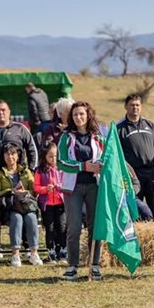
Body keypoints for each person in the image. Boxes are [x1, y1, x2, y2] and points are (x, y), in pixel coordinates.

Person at [58, 101, 104, 280]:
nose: (79, 117)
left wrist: (101, 165)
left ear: (88, 115)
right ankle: (72, 266)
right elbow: (61, 162)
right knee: (74, 227)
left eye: (82, 114)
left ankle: (94, 264)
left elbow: (108, 155)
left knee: (95, 227)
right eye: (75, 114)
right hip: (73, 187)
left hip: (95, 186)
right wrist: (83, 166)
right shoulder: (66, 137)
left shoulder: (99, 137)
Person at [0, 145, 42, 267]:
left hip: (25, 204)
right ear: (3, 156)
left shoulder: (25, 171)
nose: (10, 157)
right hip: (10, 206)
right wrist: (11, 190)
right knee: (16, 219)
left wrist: (25, 191)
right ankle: (15, 254)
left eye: (13, 154)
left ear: (18, 156)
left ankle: (34, 252)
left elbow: (34, 189)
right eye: (7, 154)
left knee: (31, 218)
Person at [117, 94, 154, 207]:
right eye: (132, 105)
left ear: (141, 107)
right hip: (133, 175)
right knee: (136, 207)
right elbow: (117, 153)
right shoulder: (119, 128)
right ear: (125, 107)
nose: (135, 107)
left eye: (137, 105)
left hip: (152, 172)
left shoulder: (149, 124)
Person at [34, 143, 66, 262]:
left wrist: (60, 187)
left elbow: (66, 183)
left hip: (60, 203)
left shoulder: (61, 168)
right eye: (50, 157)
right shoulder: (40, 170)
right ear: (44, 157)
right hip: (46, 204)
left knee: (62, 226)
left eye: (55, 156)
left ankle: (62, 249)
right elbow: (36, 187)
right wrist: (45, 189)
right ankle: (50, 250)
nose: (53, 159)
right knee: (50, 228)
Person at [0, 100, 38, 170]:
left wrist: (32, 170)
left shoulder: (20, 128)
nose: (1, 113)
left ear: (9, 112)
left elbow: (32, 150)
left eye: (3, 110)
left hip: (18, 175)